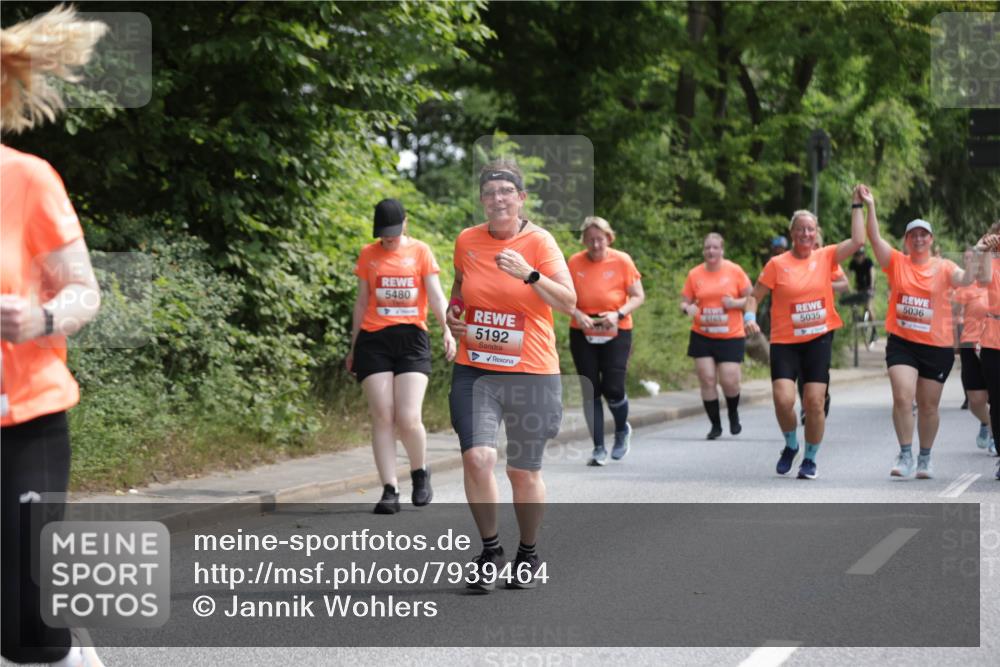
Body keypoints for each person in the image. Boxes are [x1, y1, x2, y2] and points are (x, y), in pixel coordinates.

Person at [1, 6, 106, 666]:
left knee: (28, 618)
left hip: (27, 421)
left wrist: (38, 319)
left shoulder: (28, 179)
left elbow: (84, 292)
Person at [446, 160, 576, 590]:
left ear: (521, 199)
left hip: (532, 371)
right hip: (476, 368)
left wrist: (529, 273)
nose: (497, 199)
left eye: (506, 191)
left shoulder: (540, 242)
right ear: (482, 200)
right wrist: (455, 317)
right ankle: (490, 549)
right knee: (477, 457)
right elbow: (460, 288)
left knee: (523, 472)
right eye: (490, 192)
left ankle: (529, 550)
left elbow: (568, 301)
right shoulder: (467, 240)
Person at [860, 186, 980, 480]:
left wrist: (977, 255)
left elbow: (965, 280)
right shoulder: (896, 263)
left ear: (931, 240)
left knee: (928, 406)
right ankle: (905, 453)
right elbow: (874, 239)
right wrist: (870, 206)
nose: (918, 238)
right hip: (902, 343)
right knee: (902, 397)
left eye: (923, 234)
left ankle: (925, 457)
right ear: (907, 240)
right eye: (913, 234)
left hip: (936, 346)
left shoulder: (944, 266)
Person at [744, 189, 865, 480]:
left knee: (814, 402)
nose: (806, 234)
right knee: (783, 400)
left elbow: (859, 240)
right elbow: (754, 296)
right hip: (786, 342)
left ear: (816, 233)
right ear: (792, 233)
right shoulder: (777, 264)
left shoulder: (826, 257)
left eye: (810, 229)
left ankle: (810, 458)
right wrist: (749, 316)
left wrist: (858, 204)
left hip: (818, 339)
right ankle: (790, 445)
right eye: (800, 230)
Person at [347, 199, 455, 514]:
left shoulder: (420, 251)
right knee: (382, 415)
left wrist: (448, 330)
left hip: (412, 339)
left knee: (407, 418)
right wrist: (353, 346)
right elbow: (361, 302)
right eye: (384, 234)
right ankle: (389, 489)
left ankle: (420, 472)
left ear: (405, 223)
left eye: (394, 232)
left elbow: (436, 295)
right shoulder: (369, 254)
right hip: (373, 340)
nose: (389, 239)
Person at [567, 216, 644, 465]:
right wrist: (578, 314)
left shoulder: (622, 260)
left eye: (599, 239)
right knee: (590, 389)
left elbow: (637, 296)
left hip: (616, 328)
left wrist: (618, 313)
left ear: (609, 238)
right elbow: (564, 297)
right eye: (590, 240)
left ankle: (622, 430)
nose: (595, 245)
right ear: (584, 241)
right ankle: (598, 448)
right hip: (583, 329)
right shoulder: (574, 262)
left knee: (612, 387)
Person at [680, 233, 752, 439]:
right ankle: (715, 425)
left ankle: (733, 413)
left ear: (722, 250)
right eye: (707, 248)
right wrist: (688, 309)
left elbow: (752, 297)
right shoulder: (695, 274)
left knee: (729, 380)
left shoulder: (735, 271)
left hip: (730, 335)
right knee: (707, 378)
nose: (710, 251)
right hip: (702, 335)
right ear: (703, 251)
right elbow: (684, 302)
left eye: (714, 247)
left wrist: (735, 304)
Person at [951, 248, 994, 454]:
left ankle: (996, 435)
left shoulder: (995, 283)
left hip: (992, 344)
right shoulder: (966, 288)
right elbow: (952, 315)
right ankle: (987, 423)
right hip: (970, 343)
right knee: (976, 400)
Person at [973, 222, 1000, 480]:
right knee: (997, 402)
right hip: (993, 339)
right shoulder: (991, 261)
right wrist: (981, 250)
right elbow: (977, 279)